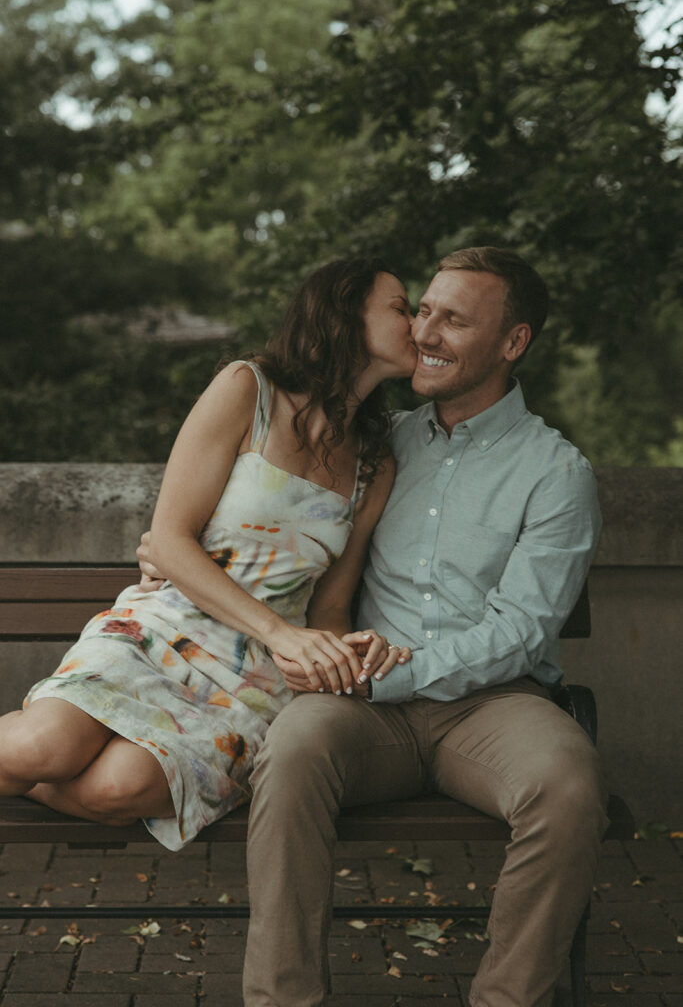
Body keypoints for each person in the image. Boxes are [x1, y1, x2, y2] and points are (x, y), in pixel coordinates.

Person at [138, 247, 607, 1007]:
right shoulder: (378, 443)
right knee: (289, 752)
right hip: (358, 703)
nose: (426, 330)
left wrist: (392, 670)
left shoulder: (555, 473)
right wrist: (172, 550)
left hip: (489, 703)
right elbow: (269, 520)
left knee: (568, 782)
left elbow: (521, 630)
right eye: (421, 310)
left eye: (453, 320)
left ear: (512, 342)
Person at [0, 257, 417, 851]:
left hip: (254, 682)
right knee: (39, 749)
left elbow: (330, 607)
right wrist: (282, 632)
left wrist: (333, 657)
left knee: (116, 789)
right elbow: (169, 540)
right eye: (400, 308)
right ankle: (31, 769)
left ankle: (32, 785)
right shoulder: (248, 388)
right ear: (344, 314)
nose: (417, 323)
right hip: (167, 628)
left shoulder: (375, 464)